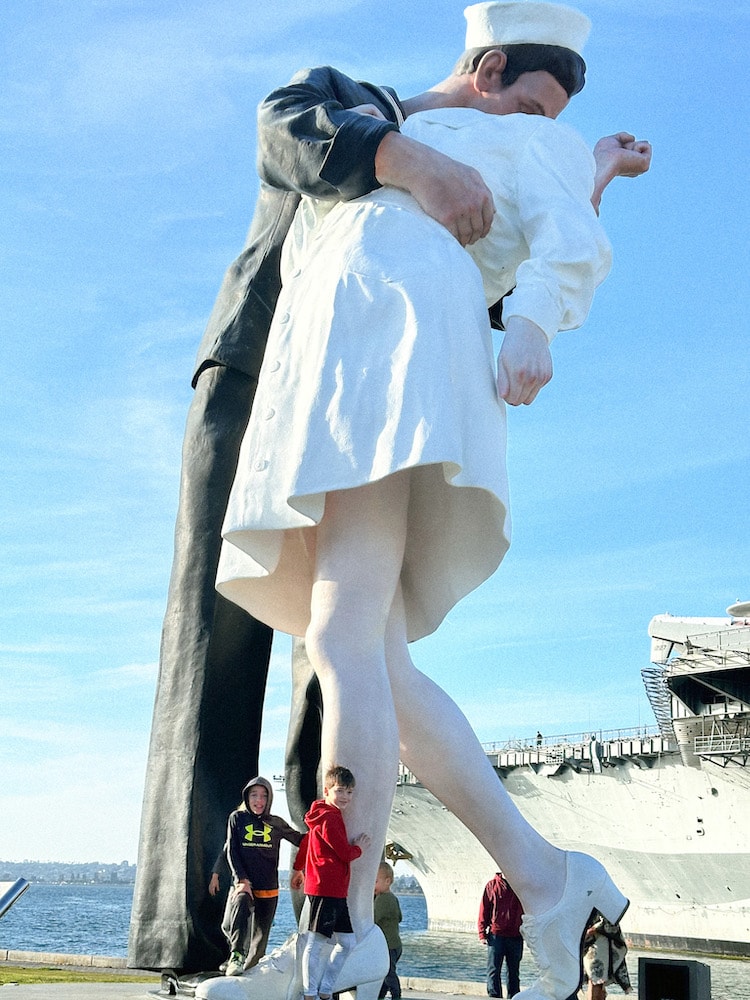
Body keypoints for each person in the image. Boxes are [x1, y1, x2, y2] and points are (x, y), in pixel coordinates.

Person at [129, 0, 651, 977]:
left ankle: (340, 938)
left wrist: (537, 314)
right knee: (380, 662)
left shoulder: (512, 143)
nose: (537, 125)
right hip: (331, 349)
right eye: (532, 103)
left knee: (338, 634)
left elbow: (558, 235)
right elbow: (307, 138)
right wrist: (569, 178)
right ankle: (545, 879)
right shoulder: (397, 122)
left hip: (389, 330)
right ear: (489, 68)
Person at [293, 766, 372, 1000]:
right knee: (315, 942)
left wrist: (299, 868)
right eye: (340, 791)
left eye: (349, 792)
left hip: (334, 890)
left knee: (347, 942)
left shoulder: (325, 816)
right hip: (326, 888)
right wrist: (360, 848)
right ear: (327, 790)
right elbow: (344, 853)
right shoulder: (329, 817)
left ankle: (325, 989)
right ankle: (311, 993)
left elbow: (308, 844)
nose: (345, 797)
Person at [223, 777, 304, 976]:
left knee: (260, 939)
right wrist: (241, 880)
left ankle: (249, 976)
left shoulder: (275, 823)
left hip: (268, 889)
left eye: (264, 796)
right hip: (245, 886)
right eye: (254, 795)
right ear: (247, 797)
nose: (259, 800)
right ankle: (236, 956)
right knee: (236, 913)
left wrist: (323, 831)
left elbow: (300, 840)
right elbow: (231, 850)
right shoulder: (237, 818)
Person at [479, 871, 524, 998]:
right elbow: (484, 909)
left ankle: (514, 996)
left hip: (516, 935)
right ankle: (494, 996)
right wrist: (482, 933)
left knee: (514, 971)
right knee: (493, 969)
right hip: (496, 935)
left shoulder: (520, 886)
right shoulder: (491, 886)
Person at [374, 862, 403, 1000]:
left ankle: (396, 995)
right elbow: (400, 917)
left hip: (387, 946)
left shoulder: (382, 900)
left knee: (388, 973)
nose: (373, 885)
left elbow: (373, 919)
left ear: (387, 881)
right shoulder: (393, 898)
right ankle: (380, 995)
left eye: (375, 881)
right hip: (396, 944)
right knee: (385, 973)